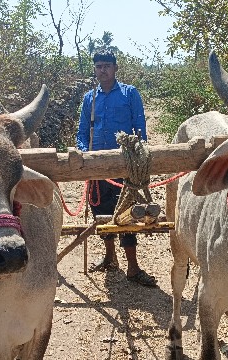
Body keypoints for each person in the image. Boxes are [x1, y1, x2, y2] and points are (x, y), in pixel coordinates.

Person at [76, 49, 156, 287]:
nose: (103, 70)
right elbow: (82, 132)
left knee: (128, 213)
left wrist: (139, 154)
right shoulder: (89, 98)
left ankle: (133, 267)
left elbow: (140, 128)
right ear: (95, 69)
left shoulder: (130, 94)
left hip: (124, 164)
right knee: (100, 210)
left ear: (115, 68)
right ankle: (110, 258)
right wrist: (85, 153)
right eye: (99, 66)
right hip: (97, 164)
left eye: (107, 66)